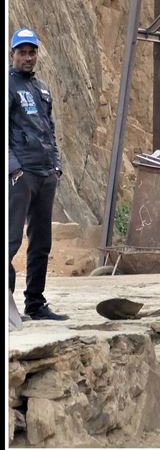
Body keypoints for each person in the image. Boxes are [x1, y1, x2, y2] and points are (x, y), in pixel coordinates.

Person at [8, 28, 67, 321]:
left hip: (45, 174)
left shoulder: (42, 89)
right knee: (10, 240)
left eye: (32, 52)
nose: (28, 58)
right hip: (21, 175)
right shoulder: (8, 86)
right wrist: (13, 168)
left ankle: (35, 304)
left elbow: (49, 130)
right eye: (22, 52)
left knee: (41, 242)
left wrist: (56, 164)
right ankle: (7, 304)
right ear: (12, 55)